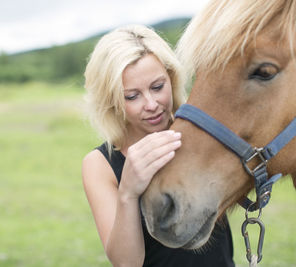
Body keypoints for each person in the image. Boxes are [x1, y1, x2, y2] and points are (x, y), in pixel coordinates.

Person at [82, 24, 235, 267]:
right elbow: (127, 263)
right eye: (132, 96)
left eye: (157, 87)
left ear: (172, 79)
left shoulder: (198, 136)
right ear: (111, 100)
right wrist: (129, 192)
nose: (151, 104)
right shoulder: (100, 165)